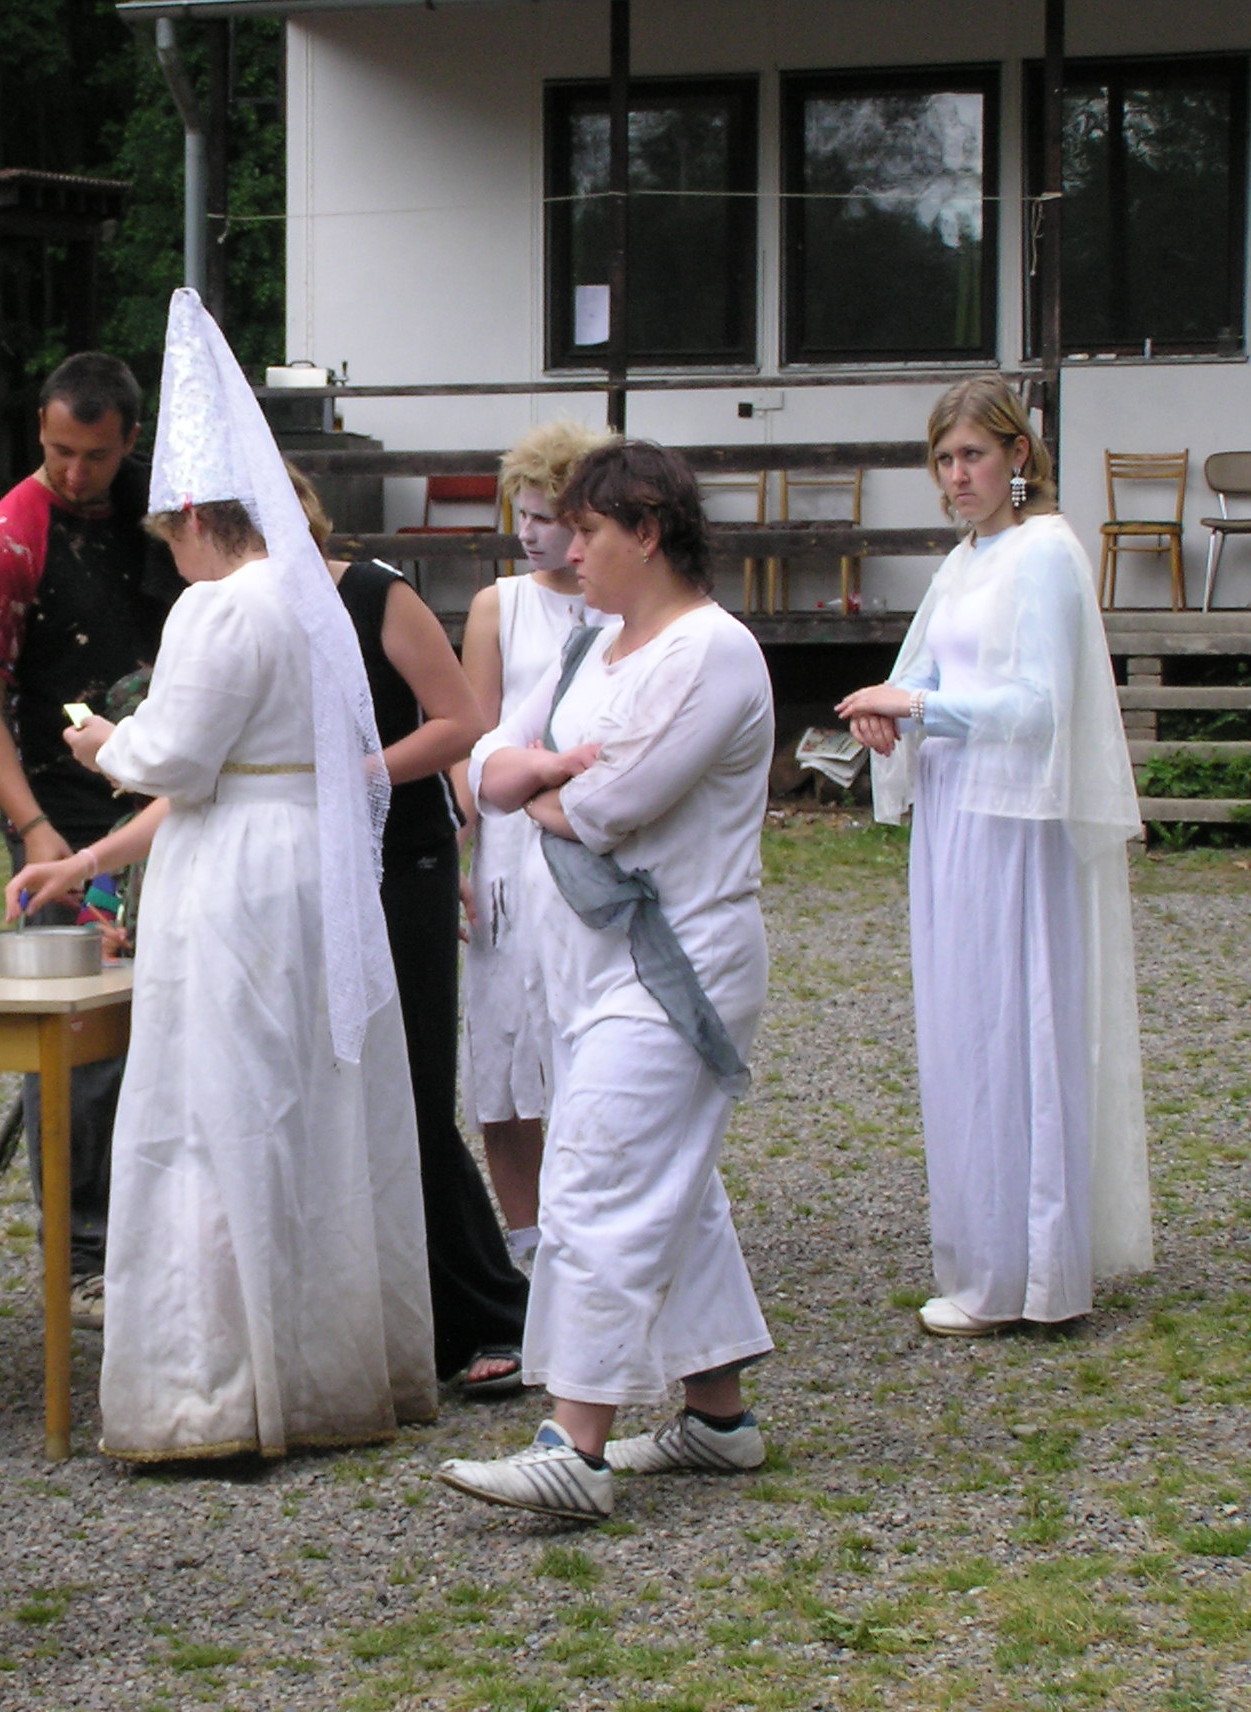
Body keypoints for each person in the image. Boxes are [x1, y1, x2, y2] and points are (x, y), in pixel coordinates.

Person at [9, 289, 434, 1463]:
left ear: (196, 512)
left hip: (234, 866)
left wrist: (103, 742)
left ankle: (218, 1387)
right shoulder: (311, 597)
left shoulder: (218, 605)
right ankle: (323, 1360)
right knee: (306, 1097)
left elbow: (176, 757)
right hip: (307, 855)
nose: (173, 557)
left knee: (214, 1104)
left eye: (173, 536)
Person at [438, 440, 775, 1525]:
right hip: (591, 964)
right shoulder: (592, 648)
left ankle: (572, 1444)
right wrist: (542, 773)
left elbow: (607, 808)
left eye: (586, 530)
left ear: (647, 531)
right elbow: (488, 768)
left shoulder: (711, 652)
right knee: (672, 1186)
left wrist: (545, 789)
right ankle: (717, 1418)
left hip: (679, 964)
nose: (565, 548)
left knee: (593, 1174)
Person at [837, 378, 1150, 1338]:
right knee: (964, 1033)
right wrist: (889, 709)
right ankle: (985, 1257)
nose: (957, 475)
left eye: (973, 455)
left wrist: (918, 708)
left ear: (1018, 456)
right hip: (956, 817)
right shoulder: (966, 560)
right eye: (943, 459)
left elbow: (1042, 705)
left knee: (1018, 1028)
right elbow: (923, 670)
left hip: (1017, 823)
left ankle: (1033, 1272)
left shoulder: (1044, 551)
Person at [0, 351, 180, 1324]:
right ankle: (81, 1253)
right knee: (80, 1034)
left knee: (169, 1018)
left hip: (165, 796)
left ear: (131, 441)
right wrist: (34, 828)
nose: (74, 473)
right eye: (57, 451)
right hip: (60, 807)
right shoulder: (8, 537)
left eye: (94, 455)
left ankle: (160, 1237)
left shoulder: (165, 513)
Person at [289, 470, 530, 1401]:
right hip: (308, 870)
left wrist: (358, 776)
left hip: (404, 861)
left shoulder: (374, 594)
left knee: (414, 1090)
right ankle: (389, 1311)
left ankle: (495, 1311)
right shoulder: (244, 614)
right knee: (334, 1092)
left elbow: (461, 721)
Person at [455, 420, 616, 1269]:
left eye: (549, 517)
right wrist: (460, 844)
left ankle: (596, 1223)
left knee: (588, 1040)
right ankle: (527, 1240)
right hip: (509, 849)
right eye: (522, 515)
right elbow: (471, 737)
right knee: (503, 1043)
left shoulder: (622, 604)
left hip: (594, 835)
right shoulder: (500, 606)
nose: (531, 533)